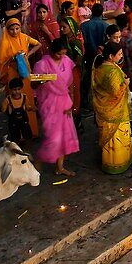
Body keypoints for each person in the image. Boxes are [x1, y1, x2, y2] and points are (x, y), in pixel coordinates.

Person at [34, 39, 80, 175]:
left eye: (64, 54)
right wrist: (43, 80)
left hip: (64, 101)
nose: (62, 57)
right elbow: (34, 84)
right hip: (49, 103)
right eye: (59, 54)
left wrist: (71, 99)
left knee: (65, 135)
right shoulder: (42, 64)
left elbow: (70, 83)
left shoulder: (67, 61)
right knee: (53, 138)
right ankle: (38, 160)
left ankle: (60, 166)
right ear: (52, 52)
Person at [91, 42, 132, 174]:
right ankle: (118, 163)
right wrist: (125, 84)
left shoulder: (101, 67)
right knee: (118, 137)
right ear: (110, 56)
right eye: (119, 54)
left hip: (104, 110)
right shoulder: (112, 71)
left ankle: (108, 162)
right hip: (115, 111)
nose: (121, 56)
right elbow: (116, 93)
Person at [0, 18, 41, 137]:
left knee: (28, 100)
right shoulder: (5, 42)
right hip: (12, 74)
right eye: (11, 29)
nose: (15, 32)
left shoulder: (24, 37)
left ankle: (32, 131)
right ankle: (18, 134)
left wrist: (27, 55)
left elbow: (38, 44)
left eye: (17, 28)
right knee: (15, 100)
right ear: (7, 29)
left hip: (24, 73)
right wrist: (12, 59)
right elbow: (1, 62)